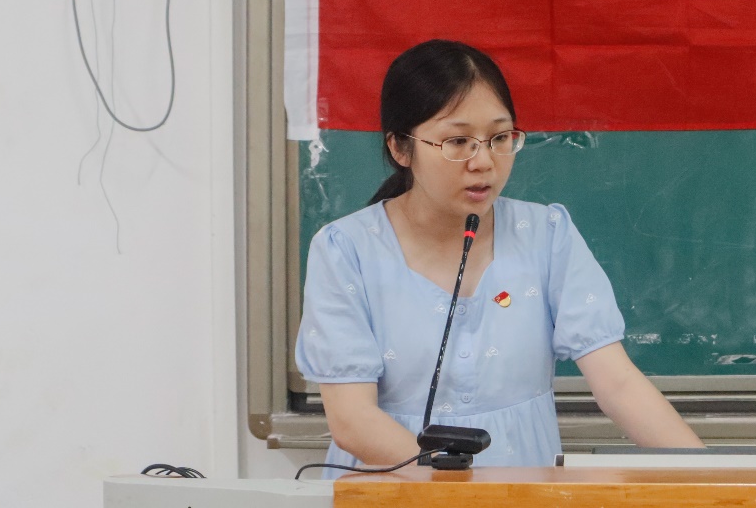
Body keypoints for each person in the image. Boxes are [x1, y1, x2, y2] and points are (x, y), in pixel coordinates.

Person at [295, 39, 703, 477]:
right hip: (395, 490)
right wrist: (466, 495)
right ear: (400, 147)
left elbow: (618, 384)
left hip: (522, 489)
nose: (484, 162)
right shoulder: (346, 250)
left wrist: (716, 479)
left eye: (500, 137)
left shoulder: (546, 235)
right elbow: (353, 420)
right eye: (458, 141)